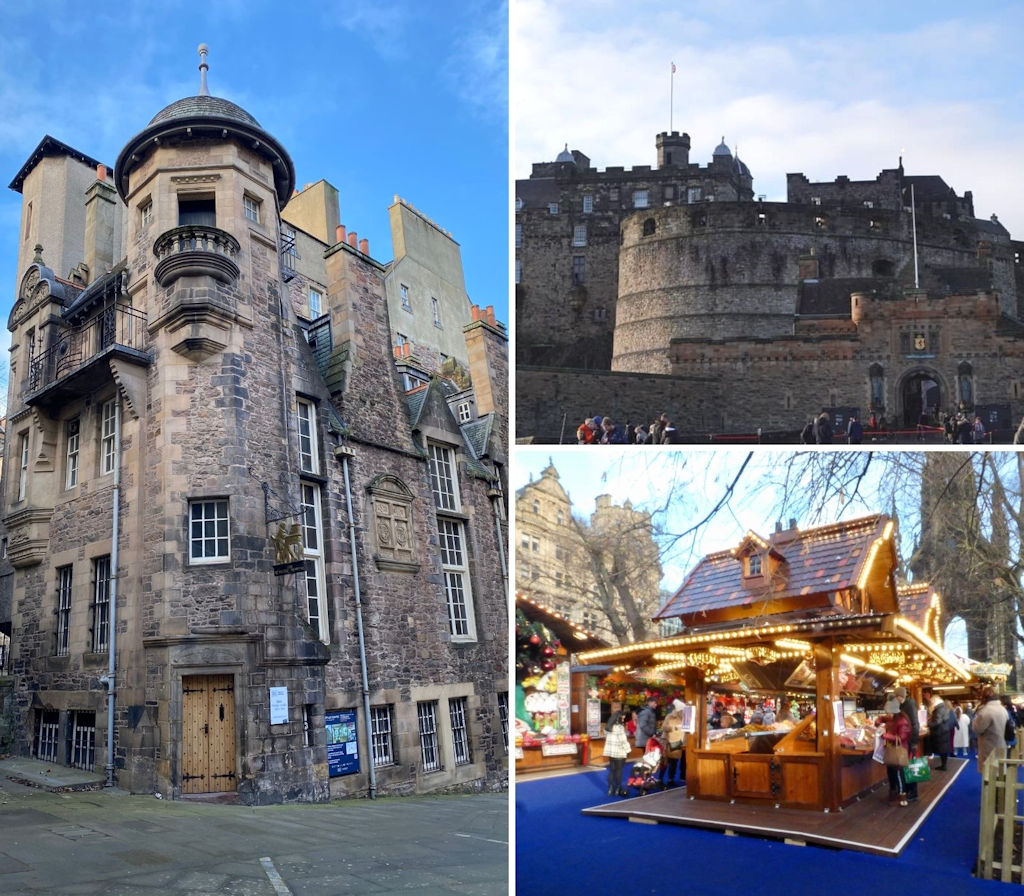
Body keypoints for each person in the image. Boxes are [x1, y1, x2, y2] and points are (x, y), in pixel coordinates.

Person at [877, 707, 912, 806]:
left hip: (899, 750)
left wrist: (885, 735)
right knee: (891, 772)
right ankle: (893, 792)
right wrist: (879, 720)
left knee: (898, 773)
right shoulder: (894, 718)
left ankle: (902, 797)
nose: (888, 714)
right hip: (891, 749)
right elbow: (883, 718)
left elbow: (902, 737)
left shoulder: (902, 721)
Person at [973, 686, 1008, 771]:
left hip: (989, 745)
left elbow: (977, 729)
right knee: (999, 771)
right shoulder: (1002, 709)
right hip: (1001, 743)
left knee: (989, 774)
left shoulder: (986, 711)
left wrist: (975, 719)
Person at [894, 686, 920, 802]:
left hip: (909, 742)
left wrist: (914, 742)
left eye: (897, 696)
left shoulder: (909, 705)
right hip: (907, 742)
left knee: (911, 767)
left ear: (900, 696)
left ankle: (913, 793)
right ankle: (910, 791)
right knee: (908, 767)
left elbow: (915, 724)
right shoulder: (904, 705)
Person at [602, 710, 631, 796]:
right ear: (619, 717)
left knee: (612, 770)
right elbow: (623, 741)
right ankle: (618, 788)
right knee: (619, 771)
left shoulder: (608, 727)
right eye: (623, 717)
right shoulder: (619, 727)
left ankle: (610, 789)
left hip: (611, 752)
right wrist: (628, 750)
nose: (623, 719)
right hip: (619, 751)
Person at [658, 699, 686, 787]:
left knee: (674, 762)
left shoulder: (685, 717)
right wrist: (674, 727)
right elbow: (664, 727)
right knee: (665, 761)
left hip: (678, 742)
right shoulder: (670, 716)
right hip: (668, 741)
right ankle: (660, 779)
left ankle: (671, 779)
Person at [922, 686, 950, 770]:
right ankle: (943, 765)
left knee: (942, 750)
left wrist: (928, 724)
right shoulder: (943, 707)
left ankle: (943, 766)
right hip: (944, 731)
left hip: (940, 732)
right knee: (943, 750)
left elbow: (937, 721)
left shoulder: (939, 709)